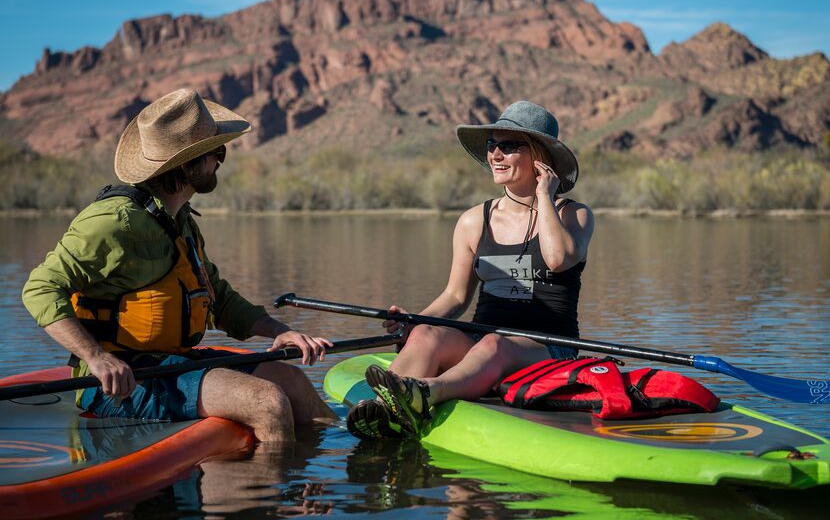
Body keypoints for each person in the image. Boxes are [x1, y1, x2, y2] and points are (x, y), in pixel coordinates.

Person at [22, 88, 336, 442]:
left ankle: (329, 471)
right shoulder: (114, 221)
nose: (221, 159)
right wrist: (96, 358)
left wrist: (280, 331)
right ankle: (274, 495)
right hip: (122, 380)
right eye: (216, 152)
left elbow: (218, 296)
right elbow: (40, 289)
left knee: (291, 379)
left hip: (174, 362)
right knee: (267, 401)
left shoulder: (180, 218)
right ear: (187, 165)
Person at [346, 101, 594, 439]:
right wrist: (413, 320)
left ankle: (424, 393)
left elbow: (556, 259)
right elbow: (455, 296)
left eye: (508, 146)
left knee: (496, 345)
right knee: (426, 334)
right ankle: (388, 409)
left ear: (540, 157)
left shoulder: (574, 215)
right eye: (492, 145)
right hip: (481, 343)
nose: (495, 155)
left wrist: (545, 196)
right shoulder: (473, 221)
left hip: (549, 347)